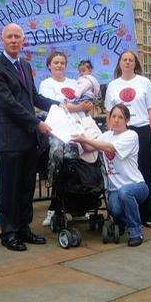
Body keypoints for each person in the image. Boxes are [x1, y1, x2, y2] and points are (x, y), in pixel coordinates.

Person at [0, 23, 59, 251]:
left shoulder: (25, 66)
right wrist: (38, 123)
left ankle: (24, 228)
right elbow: (9, 104)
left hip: (28, 139)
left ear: (22, 40)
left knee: (27, 187)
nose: (14, 40)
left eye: (18, 36)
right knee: (9, 188)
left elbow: (33, 97)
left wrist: (62, 106)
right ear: (3, 40)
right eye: (10, 37)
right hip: (8, 139)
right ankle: (8, 232)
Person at [72, 104, 149, 247]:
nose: (116, 120)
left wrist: (85, 139)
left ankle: (136, 231)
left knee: (125, 192)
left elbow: (109, 148)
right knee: (114, 209)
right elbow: (89, 148)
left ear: (127, 120)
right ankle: (125, 223)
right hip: (114, 189)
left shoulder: (131, 135)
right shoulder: (106, 135)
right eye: (113, 116)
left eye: (120, 117)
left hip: (136, 186)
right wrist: (78, 133)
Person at [38, 51, 93, 226]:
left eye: (62, 62)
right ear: (49, 65)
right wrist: (76, 107)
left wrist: (83, 106)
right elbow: (55, 107)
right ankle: (54, 209)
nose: (59, 65)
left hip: (77, 129)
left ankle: (77, 208)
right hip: (58, 131)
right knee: (61, 164)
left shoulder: (74, 82)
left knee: (78, 165)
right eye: (56, 62)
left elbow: (86, 103)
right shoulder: (46, 84)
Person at [104, 50, 151, 227]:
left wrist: (150, 131)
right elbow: (108, 112)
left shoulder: (145, 82)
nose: (127, 62)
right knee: (123, 173)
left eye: (131, 60)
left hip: (141, 130)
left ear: (135, 64)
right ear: (119, 63)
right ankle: (127, 213)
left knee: (143, 173)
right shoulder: (112, 85)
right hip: (119, 132)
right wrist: (110, 132)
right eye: (124, 60)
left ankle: (148, 214)